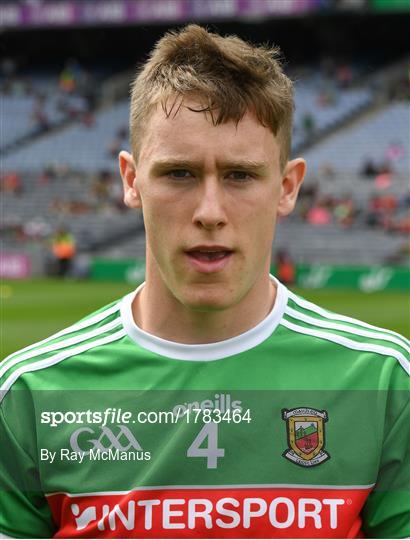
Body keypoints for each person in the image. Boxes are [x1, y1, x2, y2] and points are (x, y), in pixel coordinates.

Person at [1, 25, 409, 539]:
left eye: (240, 175)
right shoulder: (29, 394)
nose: (209, 212)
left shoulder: (384, 383)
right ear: (131, 181)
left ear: (287, 187)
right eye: (178, 174)